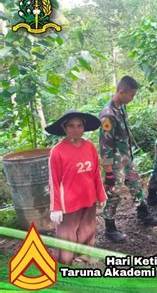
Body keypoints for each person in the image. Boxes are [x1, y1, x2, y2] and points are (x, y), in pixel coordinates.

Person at [99, 76, 157, 243]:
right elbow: (105, 146)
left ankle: (143, 214)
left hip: (126, 159)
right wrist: (109, 173)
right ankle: (110, 228)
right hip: (115, 163)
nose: (132, 99)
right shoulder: (108, 114)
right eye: (131, 95)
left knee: (136, 185)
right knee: (115, 193)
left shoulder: (121, 108)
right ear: (121, 92)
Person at [46, 110, 107, 264]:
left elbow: (95, 174)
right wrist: (55, 207)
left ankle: (85, 257)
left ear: (84, 127)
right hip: (68, 202)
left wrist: (101, 194)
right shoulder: (57, 151)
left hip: (88, 197)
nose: (76, 129)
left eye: (79, 125)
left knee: (88, 229)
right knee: (66, 235)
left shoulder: (90, 146)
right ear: (64, 128)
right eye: (72, 126)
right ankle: (64, 263)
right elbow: (53, 181)